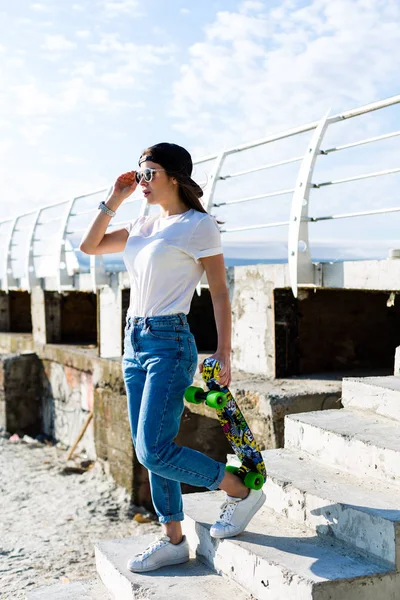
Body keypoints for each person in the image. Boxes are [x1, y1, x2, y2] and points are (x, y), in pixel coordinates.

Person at [80, 142, 265, 573]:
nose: (142, 181)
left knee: (152, 449)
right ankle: (173, 539)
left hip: (169, 341)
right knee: (153, 448)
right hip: (134, 341)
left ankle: (238, 490)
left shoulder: (197, 226)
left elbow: (219, 290)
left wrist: (222, 351)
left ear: (175, 177)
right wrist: (114, 198)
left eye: (150, 173)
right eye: (139, 172)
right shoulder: (143, 222)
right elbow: (91, 247)